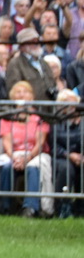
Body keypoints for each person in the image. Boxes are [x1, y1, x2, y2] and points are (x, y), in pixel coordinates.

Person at [0, 80, 52, 216]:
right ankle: (5, 207)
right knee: (6, 167)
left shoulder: (40, 118)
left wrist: (27, 158)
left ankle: (30, 208)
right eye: (18, 92)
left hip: (35, 153)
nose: (22, 95)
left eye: (25, 92)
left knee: (33, 167)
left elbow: (40, 143)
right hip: (14, 153)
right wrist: (14, 157)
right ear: (13, 97)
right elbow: (7, 143)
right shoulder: (8, 118)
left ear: (32, 97)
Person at [51, 91, 81, 220]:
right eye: (66, 102)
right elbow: (53, 146)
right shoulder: (56, 122)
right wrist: (69, 155)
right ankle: (61, 206)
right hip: (61, 157)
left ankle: (80, 208)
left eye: (73, 101)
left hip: (81, 157)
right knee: (66, 169)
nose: (71, 105)